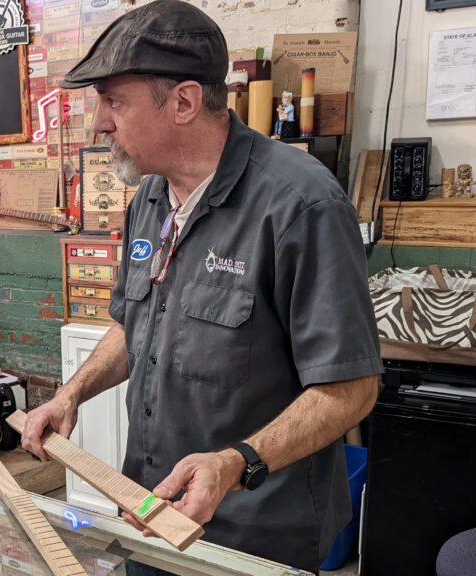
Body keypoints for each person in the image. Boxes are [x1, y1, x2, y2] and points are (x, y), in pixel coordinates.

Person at [20, 2, 382, 572]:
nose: (99, 123)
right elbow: (131, 323)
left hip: (254, 534)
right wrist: (72, 395)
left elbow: (352, 389)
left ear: (184, 102)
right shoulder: (150, 199)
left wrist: (234, 463)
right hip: (148, 508)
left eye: (114, 101)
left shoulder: (299, 205)